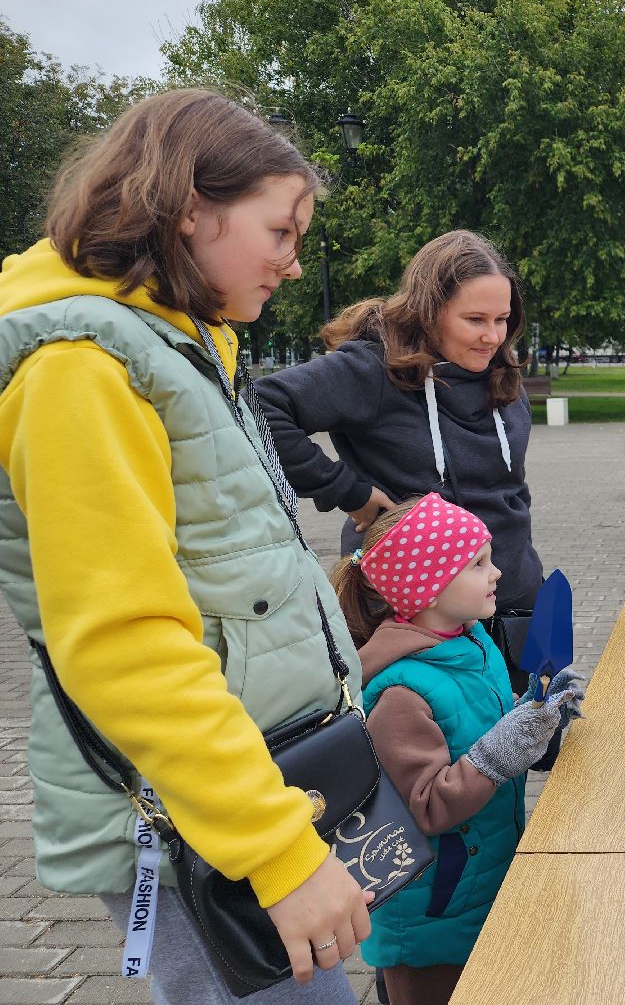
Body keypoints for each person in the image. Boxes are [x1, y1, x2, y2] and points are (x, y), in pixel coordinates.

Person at [0, 89, 370, 1002]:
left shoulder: (179, 346)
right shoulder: (84, 368)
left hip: (232, 808)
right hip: (192, 830)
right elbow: (125, 645)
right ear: (189, 207)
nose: (291, 264)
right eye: (281, 232)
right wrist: (277, 850)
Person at [255, 231, 544, 685]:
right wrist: (345, 490)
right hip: (415, 626)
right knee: (439, 751)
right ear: (429, 312)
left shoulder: (500, 374)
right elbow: (262, 406)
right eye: (475, 319)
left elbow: (511, 492)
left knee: (539, 745)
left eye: (502, 319)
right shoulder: (373, 370)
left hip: (514, 605)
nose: (492, 336)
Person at [331, 492, 584, 1005]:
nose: (496, 573)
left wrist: (535, 712)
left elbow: (479, 722)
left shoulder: (470, 641)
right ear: (428, 588)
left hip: (478, 876)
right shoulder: (401, 693)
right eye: (477, 564)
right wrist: (499, 753)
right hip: (432, 914)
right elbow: (426, 806)